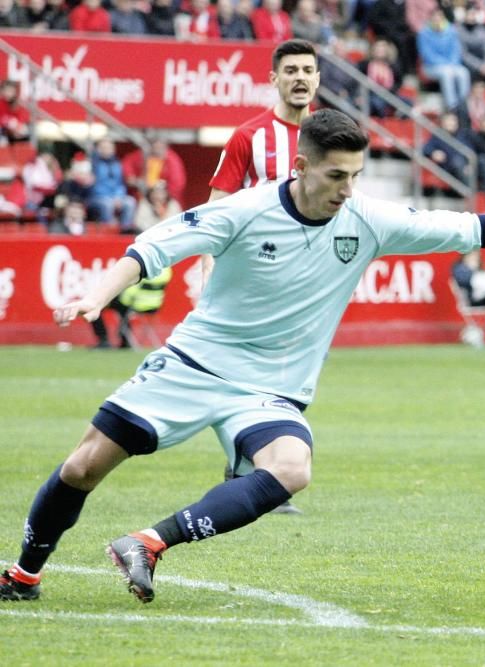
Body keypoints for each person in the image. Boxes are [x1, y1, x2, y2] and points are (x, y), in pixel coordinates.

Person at [0, 109, 485, 604]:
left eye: (355, 176)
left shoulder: (367, 220)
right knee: (83, 467)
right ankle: (25, 574)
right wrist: (95, 296)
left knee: (292, 468)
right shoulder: (245, 211)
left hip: (269, 388)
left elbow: (477, 228)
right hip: (194, 364)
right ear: (301, 167)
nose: (348, 191)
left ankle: (148, 543)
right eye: (336, 177)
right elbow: (153, 248)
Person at [207, 37, 320, 514]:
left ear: (317, 79)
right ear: (273, 79)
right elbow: (216, 209)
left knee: (295, 376)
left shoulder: (331, 135)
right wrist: (210, 272)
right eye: (289, 69)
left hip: (309, 280)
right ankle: (255, 465)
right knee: (240, 372)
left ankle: (256, 464)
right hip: (251, 276)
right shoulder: (249, 137)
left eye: (307, 70)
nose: (299, 77)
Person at [91, 268, 173, 349]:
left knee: (97, 307)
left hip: (137, 306)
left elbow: (130, 294)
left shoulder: (142, 267)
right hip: (154, 306)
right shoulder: (166, 270)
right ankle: (125, 340)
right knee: (124, 311)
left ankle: (104, 340)